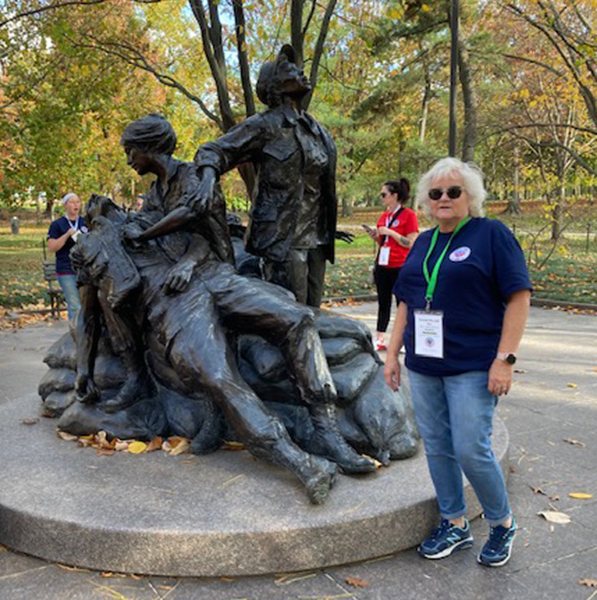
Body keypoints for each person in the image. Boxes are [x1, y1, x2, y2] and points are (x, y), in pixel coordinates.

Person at [117, 115, 375, 476]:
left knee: (297, 317)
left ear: (147, 147)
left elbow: (198, 220)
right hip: (186, 291)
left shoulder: (195, 176)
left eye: (131, 151)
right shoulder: (156, 194)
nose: (129, 160)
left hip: (220, 275)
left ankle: (326, 430)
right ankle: (215, 417)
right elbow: (167, 237)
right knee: (205, 355)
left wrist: (175, 253)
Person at [384, 157, 531, 568]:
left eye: (454, 191)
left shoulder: (491, 235)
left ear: (471, 198)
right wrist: (392, 354)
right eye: (436, 193)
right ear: (427, 202)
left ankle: (502, 523)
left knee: (471, 447)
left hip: (473, 364)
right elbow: (406, 304)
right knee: (437, 447)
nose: (444, 199)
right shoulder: (424, 243)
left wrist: (505, 359)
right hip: (424, 364)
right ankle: (454, 522)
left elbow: (519, 297)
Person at [193, 44, 345, 306]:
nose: (300, 71)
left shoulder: (316, 130)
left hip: (316, 239)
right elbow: (213, 151)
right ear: (275, 85)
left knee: (314, 315)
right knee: (292, 319)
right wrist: (207, 179)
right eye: (290, 69)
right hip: (282, 240)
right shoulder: (265, 125)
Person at [365, 178, 419, 351]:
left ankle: (405, 339)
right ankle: (380, 338)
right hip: (383, 264)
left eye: (384, 195)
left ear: (394, 195)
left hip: (400, 265)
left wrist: (391, 232)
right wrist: (376, 236)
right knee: (383, 302)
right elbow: (383, 241)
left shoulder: (408, 215)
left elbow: (411, 242)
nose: (381, 198)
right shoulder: (384, 216)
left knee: (402, 303)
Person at [47, 193, 88, 324]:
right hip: (66, 269)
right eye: (72, 202)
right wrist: (66, 235)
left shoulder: (85, 222)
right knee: (75, 305)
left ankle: (86, 334)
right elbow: (52, 247)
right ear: (65, 205)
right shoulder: (57, 224)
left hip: (85, 269)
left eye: (78, 202)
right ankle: (77, 334)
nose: (76, 205)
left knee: (86, 305)